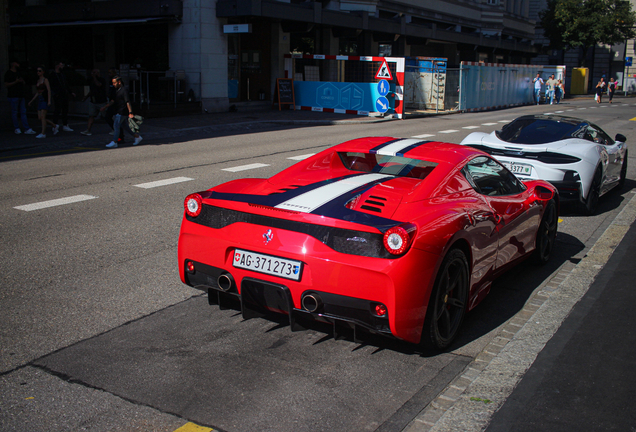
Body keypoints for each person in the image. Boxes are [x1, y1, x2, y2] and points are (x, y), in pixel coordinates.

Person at [102, 75, 142, 148]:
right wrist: (105, 107)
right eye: (113, 83)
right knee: (126, 127)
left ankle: (114, 141)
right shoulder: (116, 91)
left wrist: (130, 112)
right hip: (118, 110)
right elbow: (113, 101)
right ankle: (137, 137)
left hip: (123, 111)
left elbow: (127, 102)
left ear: (119, 82)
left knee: (116, 125)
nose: (113, 84)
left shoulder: (124, 90)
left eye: (114, 83)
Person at [4, 60, 36, 135]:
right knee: (15, 112)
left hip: (21, 95)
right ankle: (17, 128)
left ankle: (26, 128)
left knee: (22, 112)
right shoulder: (8, 73)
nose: (18, 64)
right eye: (16, 62)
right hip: (13, 95)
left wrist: (21, 81)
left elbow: (24, 82)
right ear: (12, 64)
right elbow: (6, 84)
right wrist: (16, 81)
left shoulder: (19, 72)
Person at [27, 66, 57, 138]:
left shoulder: (45, 80)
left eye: (40, 71)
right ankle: (54, 125)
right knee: (40, 117)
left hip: (44, 98)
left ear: (43, 72)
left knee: (43, 116)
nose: (38, 72)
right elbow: (37, 92)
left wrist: (49, 100)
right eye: (37, 71)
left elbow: (49, 90)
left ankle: (43, 133)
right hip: (40, 98)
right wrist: (31, 101)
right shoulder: (38, 81)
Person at [50, 61, 76, 134]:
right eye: (61, 65)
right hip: (58, 95)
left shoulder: (62, 74)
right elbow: (52, 85)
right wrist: (55, 93)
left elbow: (66, 84)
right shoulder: (53, 75)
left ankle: (65, 124)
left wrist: (70, 92)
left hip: (64, 94)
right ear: (57, 66)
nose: (62, 67)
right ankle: (55, 125)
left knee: (65, 109)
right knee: (57, 110)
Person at [80, 68, 107, 136]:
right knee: (91, 115)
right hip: (93, 101)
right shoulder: (91, 80)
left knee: (107, 116)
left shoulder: (102, 80)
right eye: (92, 73)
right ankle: (88, 130)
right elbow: (91, 90)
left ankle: (114, 129)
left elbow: (99, 85)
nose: (93, 74)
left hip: (101, 101)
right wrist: (86, 97)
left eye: (95, 72)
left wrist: (95, 77)